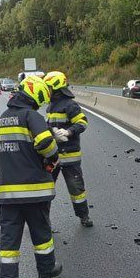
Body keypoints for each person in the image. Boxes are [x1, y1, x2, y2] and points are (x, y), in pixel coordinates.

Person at [0, 75, 62, 278]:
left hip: (9, 195)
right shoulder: (32, 116)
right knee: (41, 234)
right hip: (35, 191)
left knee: (9, 242)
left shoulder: (0, 121)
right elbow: (46, 143)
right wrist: (52, 157)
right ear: (35, 95)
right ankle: (46, 271)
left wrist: (5, 181)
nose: (40, 104)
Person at [43, 70, 93, 227]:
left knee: (76, 189)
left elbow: (82, 122)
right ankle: (43, 221)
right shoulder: (50, 106)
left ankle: (84, 216)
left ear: (55, 88)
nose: (46, 90)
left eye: (48, 87)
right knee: (46, 189)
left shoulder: (70, 105)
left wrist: (68, 132)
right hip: (53, 156)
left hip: (70, 156)